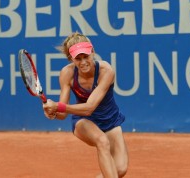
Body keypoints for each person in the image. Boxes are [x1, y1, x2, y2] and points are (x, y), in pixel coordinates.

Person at [43, 32, 128, 178]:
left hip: (110, 121)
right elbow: (63, 114)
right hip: (83, 121)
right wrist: (53, 112)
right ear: (71, 59)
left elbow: (89, 107)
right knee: (102, 141)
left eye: (86, 56)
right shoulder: (67, 73)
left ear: (93, 52)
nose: (83, 62)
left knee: (120, 170)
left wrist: (58, 107)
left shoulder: (106, 71)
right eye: (78, 58)